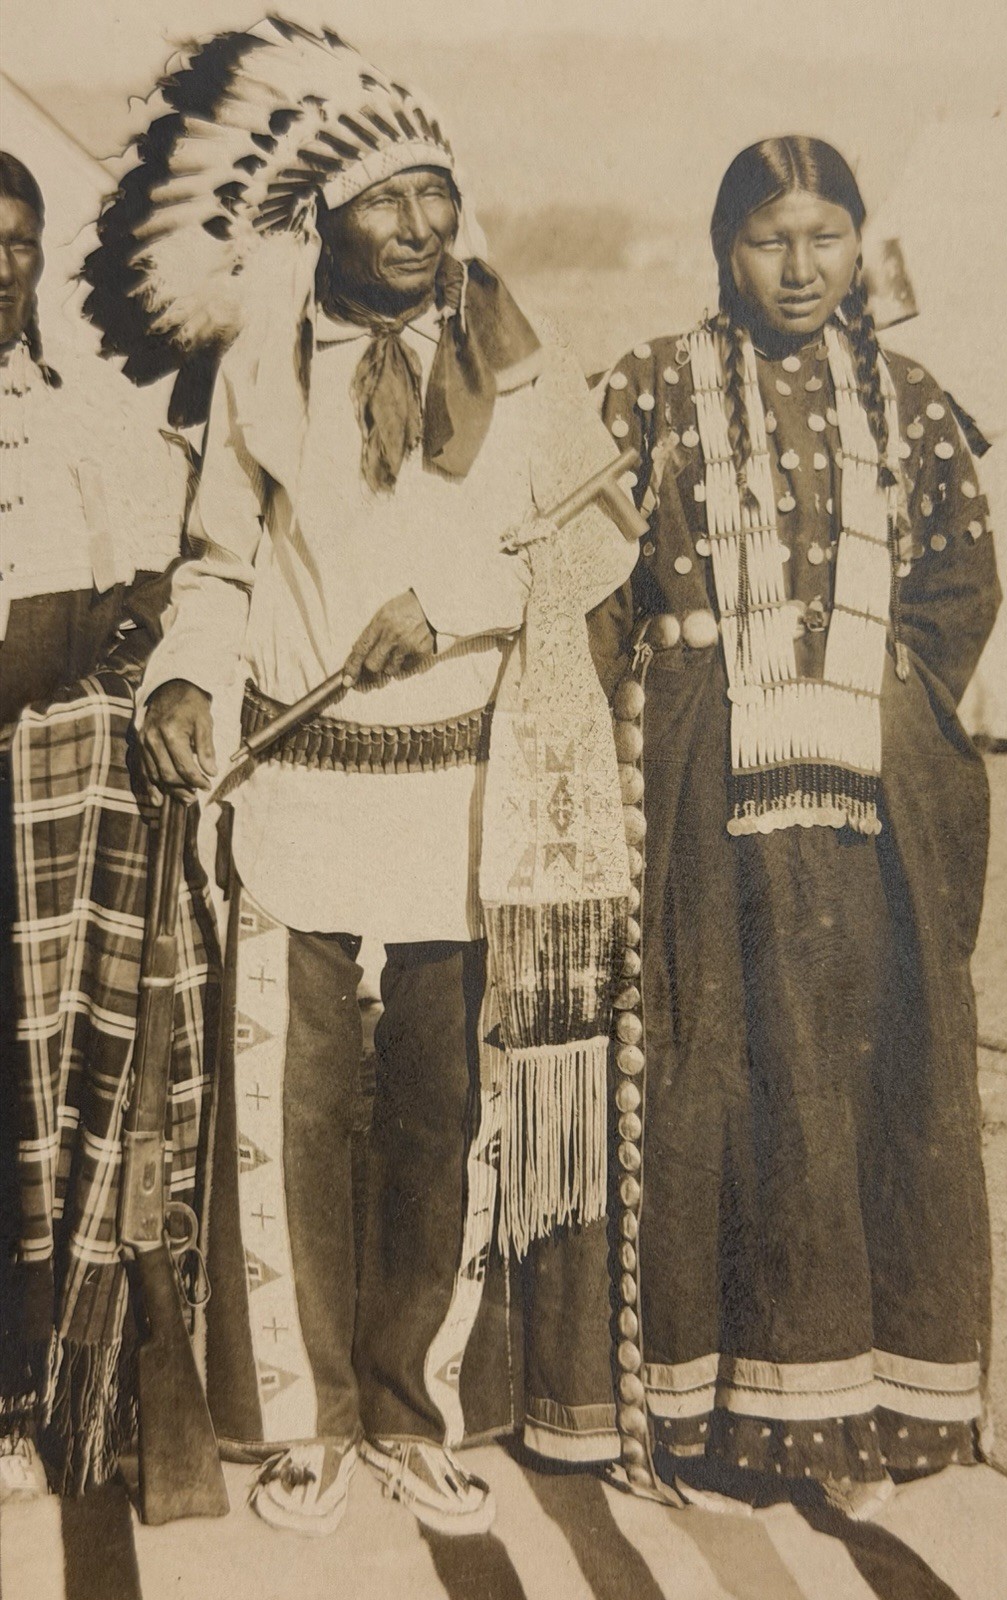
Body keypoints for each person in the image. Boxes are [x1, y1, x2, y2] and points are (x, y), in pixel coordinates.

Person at [85, 19, 636, 1537]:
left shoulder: (519, 366)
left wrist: (453, 616)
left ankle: (412, 1408)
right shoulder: (261, 369)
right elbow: (220, 566)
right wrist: (194, 679)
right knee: (296, 1104)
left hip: (463, 803)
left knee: (439, 1111)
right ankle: (309, 1420)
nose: (420, 229)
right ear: (323, 220)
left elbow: (590, 559)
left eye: (437, 197)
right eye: (386, 204)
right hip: (303, 794)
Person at [590, 135, 1001, 1518]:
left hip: (873, 819)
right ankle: (721, 1420)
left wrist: (876, 697)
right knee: (725, 1067)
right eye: (772, 239)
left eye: (827, 236)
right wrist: (681, 691)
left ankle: (877, 1414)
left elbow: (961, 585)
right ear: (726, 249)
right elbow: (594, 585)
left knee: (873, 1080)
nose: (801, 266)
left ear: (860, 242)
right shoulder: (650, 392)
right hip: (709, 802)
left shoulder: (915, 404)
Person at [0, 151, 185, 1504]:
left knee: (45, 1079)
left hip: (54, 780)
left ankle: (32, 1391)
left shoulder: (69, 414)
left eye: (19, 241)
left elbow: (142, 581)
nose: (0, 264)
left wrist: (112, 639)